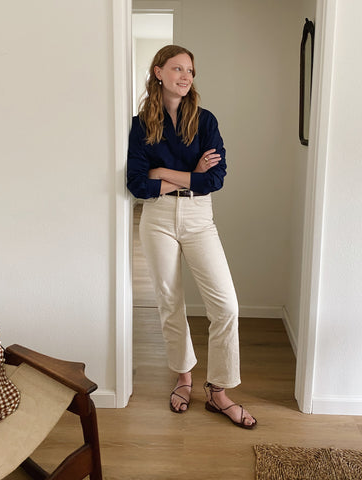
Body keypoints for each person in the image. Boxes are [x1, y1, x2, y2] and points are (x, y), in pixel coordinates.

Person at [127, 45, 256, 429]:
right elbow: (137, 184)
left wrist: (163, 174)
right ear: (158, 72)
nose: (186, 76)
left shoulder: (205, 121)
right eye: (178, 68)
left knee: (226, 306)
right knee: (170, 302)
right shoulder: (140, 125)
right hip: (158, 220)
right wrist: (188, 175)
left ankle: (218, 391)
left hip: (201, 218)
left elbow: (214, 180)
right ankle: (184, 377)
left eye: (191, 70)